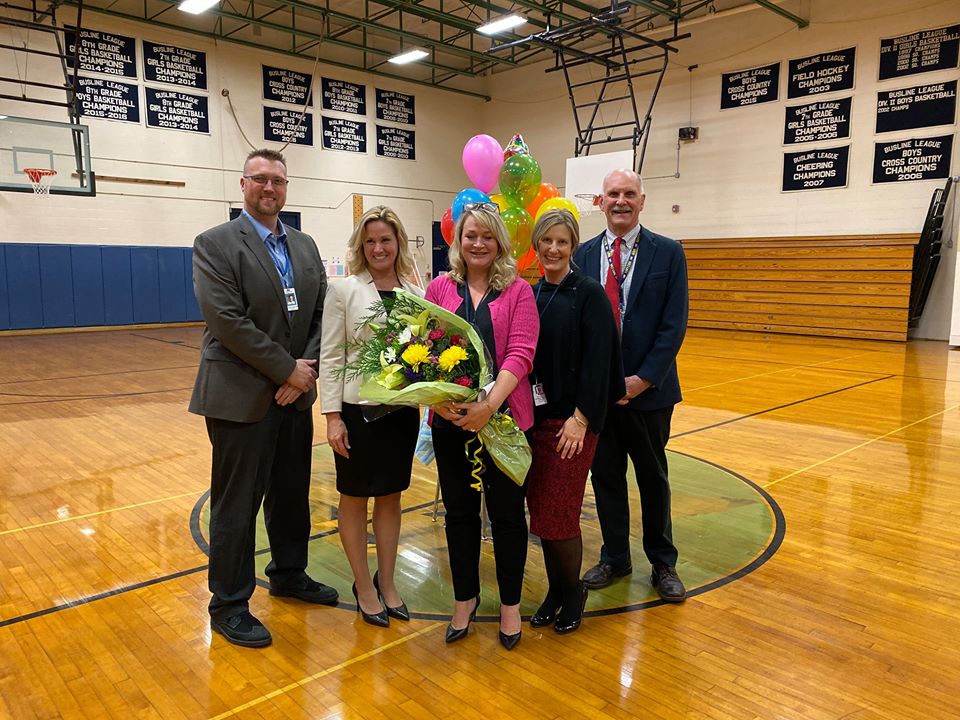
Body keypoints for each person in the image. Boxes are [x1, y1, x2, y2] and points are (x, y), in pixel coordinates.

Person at [190, 148, 338, 649]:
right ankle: (228, 603)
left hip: (293, 394)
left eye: (278, 180)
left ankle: (289, 574)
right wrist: (287, 369)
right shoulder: (214, 244)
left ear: (286, 187)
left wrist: (305, 372)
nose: (269, 188)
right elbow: (227, 321)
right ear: (243, 185)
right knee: (237, 505)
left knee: (292, 495)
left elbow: (322, 313)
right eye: (260, 180)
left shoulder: (305, 244)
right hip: (240, 397)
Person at [572, 169, 689, 602]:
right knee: (605, 477)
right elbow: (577, 326)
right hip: (600, 396)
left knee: (653, 478)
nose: (620, 201)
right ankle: (615, 556)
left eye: (629, 194)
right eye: (612, 194)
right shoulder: (582, 256)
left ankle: (663, 562)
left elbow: (673, 325)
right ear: (600, 203)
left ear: (643, 200)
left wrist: (641, 380)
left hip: (650, 393)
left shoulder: (669, 253)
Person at [425, 203, 538, 650]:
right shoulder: (439, 287)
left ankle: (510, 605)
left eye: (487, 236)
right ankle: (464, 598)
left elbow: (521, 353)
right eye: (471, 235)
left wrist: (488, 407)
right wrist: (445, 403)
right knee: (459, 515)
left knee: (509, 517)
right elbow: (426, 350)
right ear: (459, 240)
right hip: (449, 421)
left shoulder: (518, 291)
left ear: (500, 243)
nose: (478, 243)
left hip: (505, 422)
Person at [320, 206, 422, 628]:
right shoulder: (344, 290)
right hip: (356, 413)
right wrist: (331, 417)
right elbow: (330, 354)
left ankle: (390, 581)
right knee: (354, 496)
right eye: (371, 241)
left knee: (391, 496)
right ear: (362, 247)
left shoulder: (417, 291)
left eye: (386, 240)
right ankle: (363, 585)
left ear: (398, 243)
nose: (378, 248)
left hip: (401, 413)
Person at [526, 209, 624, 634]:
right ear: (536, 244)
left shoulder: (589, 294)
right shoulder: (531, 294)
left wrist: (581, 418)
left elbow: (600, 364)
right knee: (542, 513)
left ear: (573, 246)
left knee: (561, 514)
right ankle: (555, 590)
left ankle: (573, 593)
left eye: (562, 242)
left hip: (573, 424)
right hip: (537, 422)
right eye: (546, 241)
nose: (553, 249)